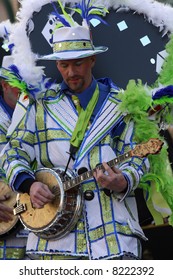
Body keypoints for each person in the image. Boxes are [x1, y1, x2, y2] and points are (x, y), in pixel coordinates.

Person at [0, 0, 158, 260]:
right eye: (63, 65)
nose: (70, 72)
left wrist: (123, 180)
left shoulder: (123, 104)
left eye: (78, 63)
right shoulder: (38, 104)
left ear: (92, 59)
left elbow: (139, 158)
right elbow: (12, 152)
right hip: (52, 242)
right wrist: (29, 184)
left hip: (113, 239)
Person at [0, 54, 29, 260]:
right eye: (18, 86)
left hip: (38, 226)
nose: (24, 93)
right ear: (4, 85)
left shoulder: (41, 113)